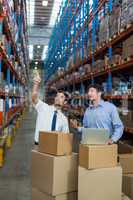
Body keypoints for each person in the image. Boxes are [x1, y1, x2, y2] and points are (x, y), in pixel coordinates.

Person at [32, 73, 69, 145]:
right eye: (57, 96)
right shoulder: (44, 108)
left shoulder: (64, 119)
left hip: (54, 147)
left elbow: (65, 138)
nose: (58, 98)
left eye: (61, 97)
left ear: (65, 102)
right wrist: (36, 84)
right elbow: (34, 98)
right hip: (39, 146)